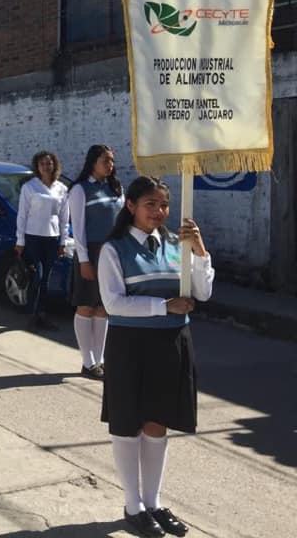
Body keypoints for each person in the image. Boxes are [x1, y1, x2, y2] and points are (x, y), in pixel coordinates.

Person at [98, 176, 212, 537]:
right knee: (129, 423)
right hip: (130, 345)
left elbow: (203, 293)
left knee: (157, 423)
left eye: (163, 205)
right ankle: (133, 506)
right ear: (131, 206)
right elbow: (113, 302)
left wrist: (199, 252)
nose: (159, 212)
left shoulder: (176, 245)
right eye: (150, 204)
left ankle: (154, 502)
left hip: (171, 343)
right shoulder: (113, 249)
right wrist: (164, 306)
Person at [68, 145, 124, 380]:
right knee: (86, 305)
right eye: (105, 160)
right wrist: (84, 260)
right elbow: (78, 229)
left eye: (111, 160)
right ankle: (87, 361)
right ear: (93, 162)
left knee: (104, 307)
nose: (109, 165)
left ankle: (99, 360)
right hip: (91, 252)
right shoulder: (80, 189)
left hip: (113, 253)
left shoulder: (116, 188)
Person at [15, 151, 69, 331]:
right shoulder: (30, 187)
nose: (46, 167)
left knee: (46, 279)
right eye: (42, 164)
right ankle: (31, 314)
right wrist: (20, 240)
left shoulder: (61, 188)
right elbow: (22, 215)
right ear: (37, 167)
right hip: (33, 237)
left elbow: (64, 217)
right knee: (35, 276)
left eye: (49, 163)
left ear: (54, 165)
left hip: (52, 238)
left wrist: (62, 241)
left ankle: (43, 315)